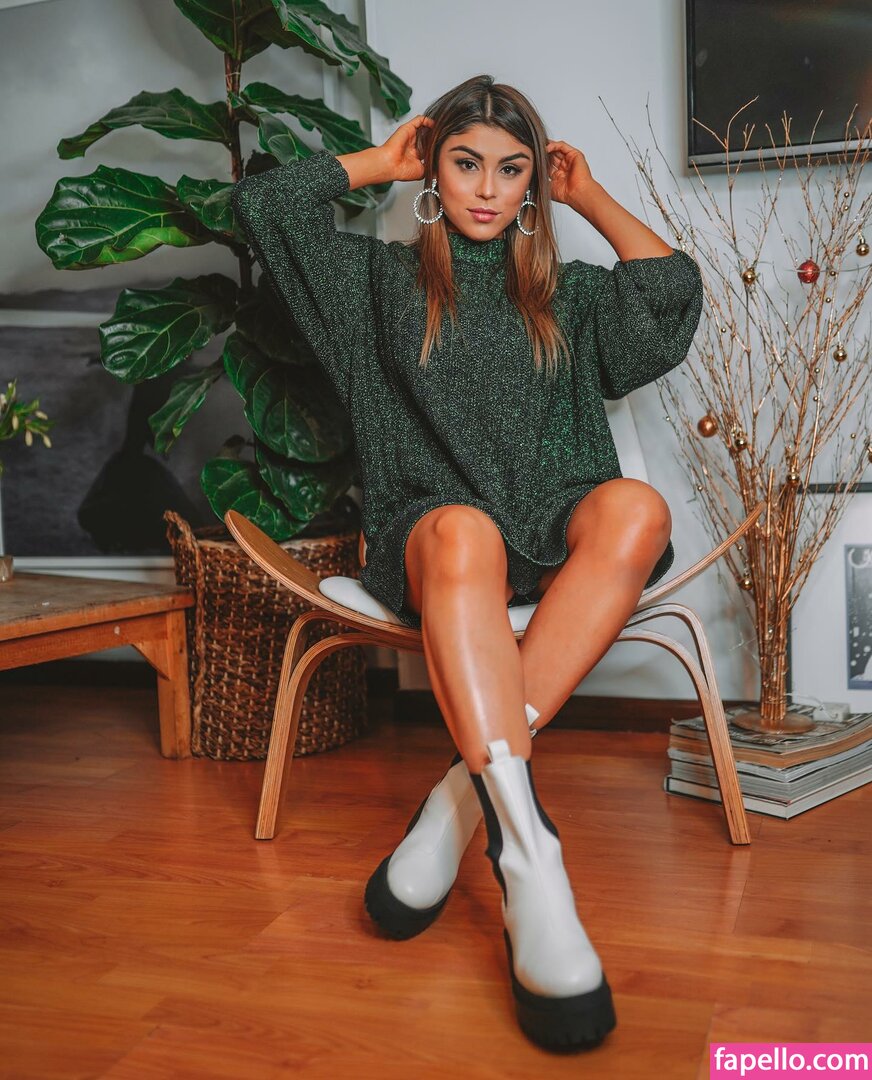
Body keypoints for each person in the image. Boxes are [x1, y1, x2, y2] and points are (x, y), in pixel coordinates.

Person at [230, 73, 703, 1052]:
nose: (486, 188)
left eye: (511, 169)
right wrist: (378, 162)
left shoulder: (569, 295)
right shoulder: (370, 286)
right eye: (464, 162)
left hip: (554, 522)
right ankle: (530, 859)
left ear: (532, 182)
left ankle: (459, 803)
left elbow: (669, 296)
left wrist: (587, 196)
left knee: (638, 507)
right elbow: (262, 206)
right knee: (466, 533)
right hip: (432, 535)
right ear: (433, 169)